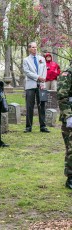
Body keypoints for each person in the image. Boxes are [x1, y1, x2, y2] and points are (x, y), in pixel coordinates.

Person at [23, 42, 49, 133]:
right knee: (29, 106)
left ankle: (43, 126)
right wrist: (38, 77)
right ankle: (28, 127)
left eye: (36, 47)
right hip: (30, 85)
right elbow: (27, 72)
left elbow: (45, 69)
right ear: (29, 49)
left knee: (42, 105)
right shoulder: (26, 60)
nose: (35, 49)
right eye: (33, 47)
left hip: (41, 84)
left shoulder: (42, 59)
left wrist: (43, 79)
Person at [57, 61, 72, 189]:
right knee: (71, 148)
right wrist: (69, 116)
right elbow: (62, 96)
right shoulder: (67, 74)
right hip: (70, 116)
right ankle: (70, 178)